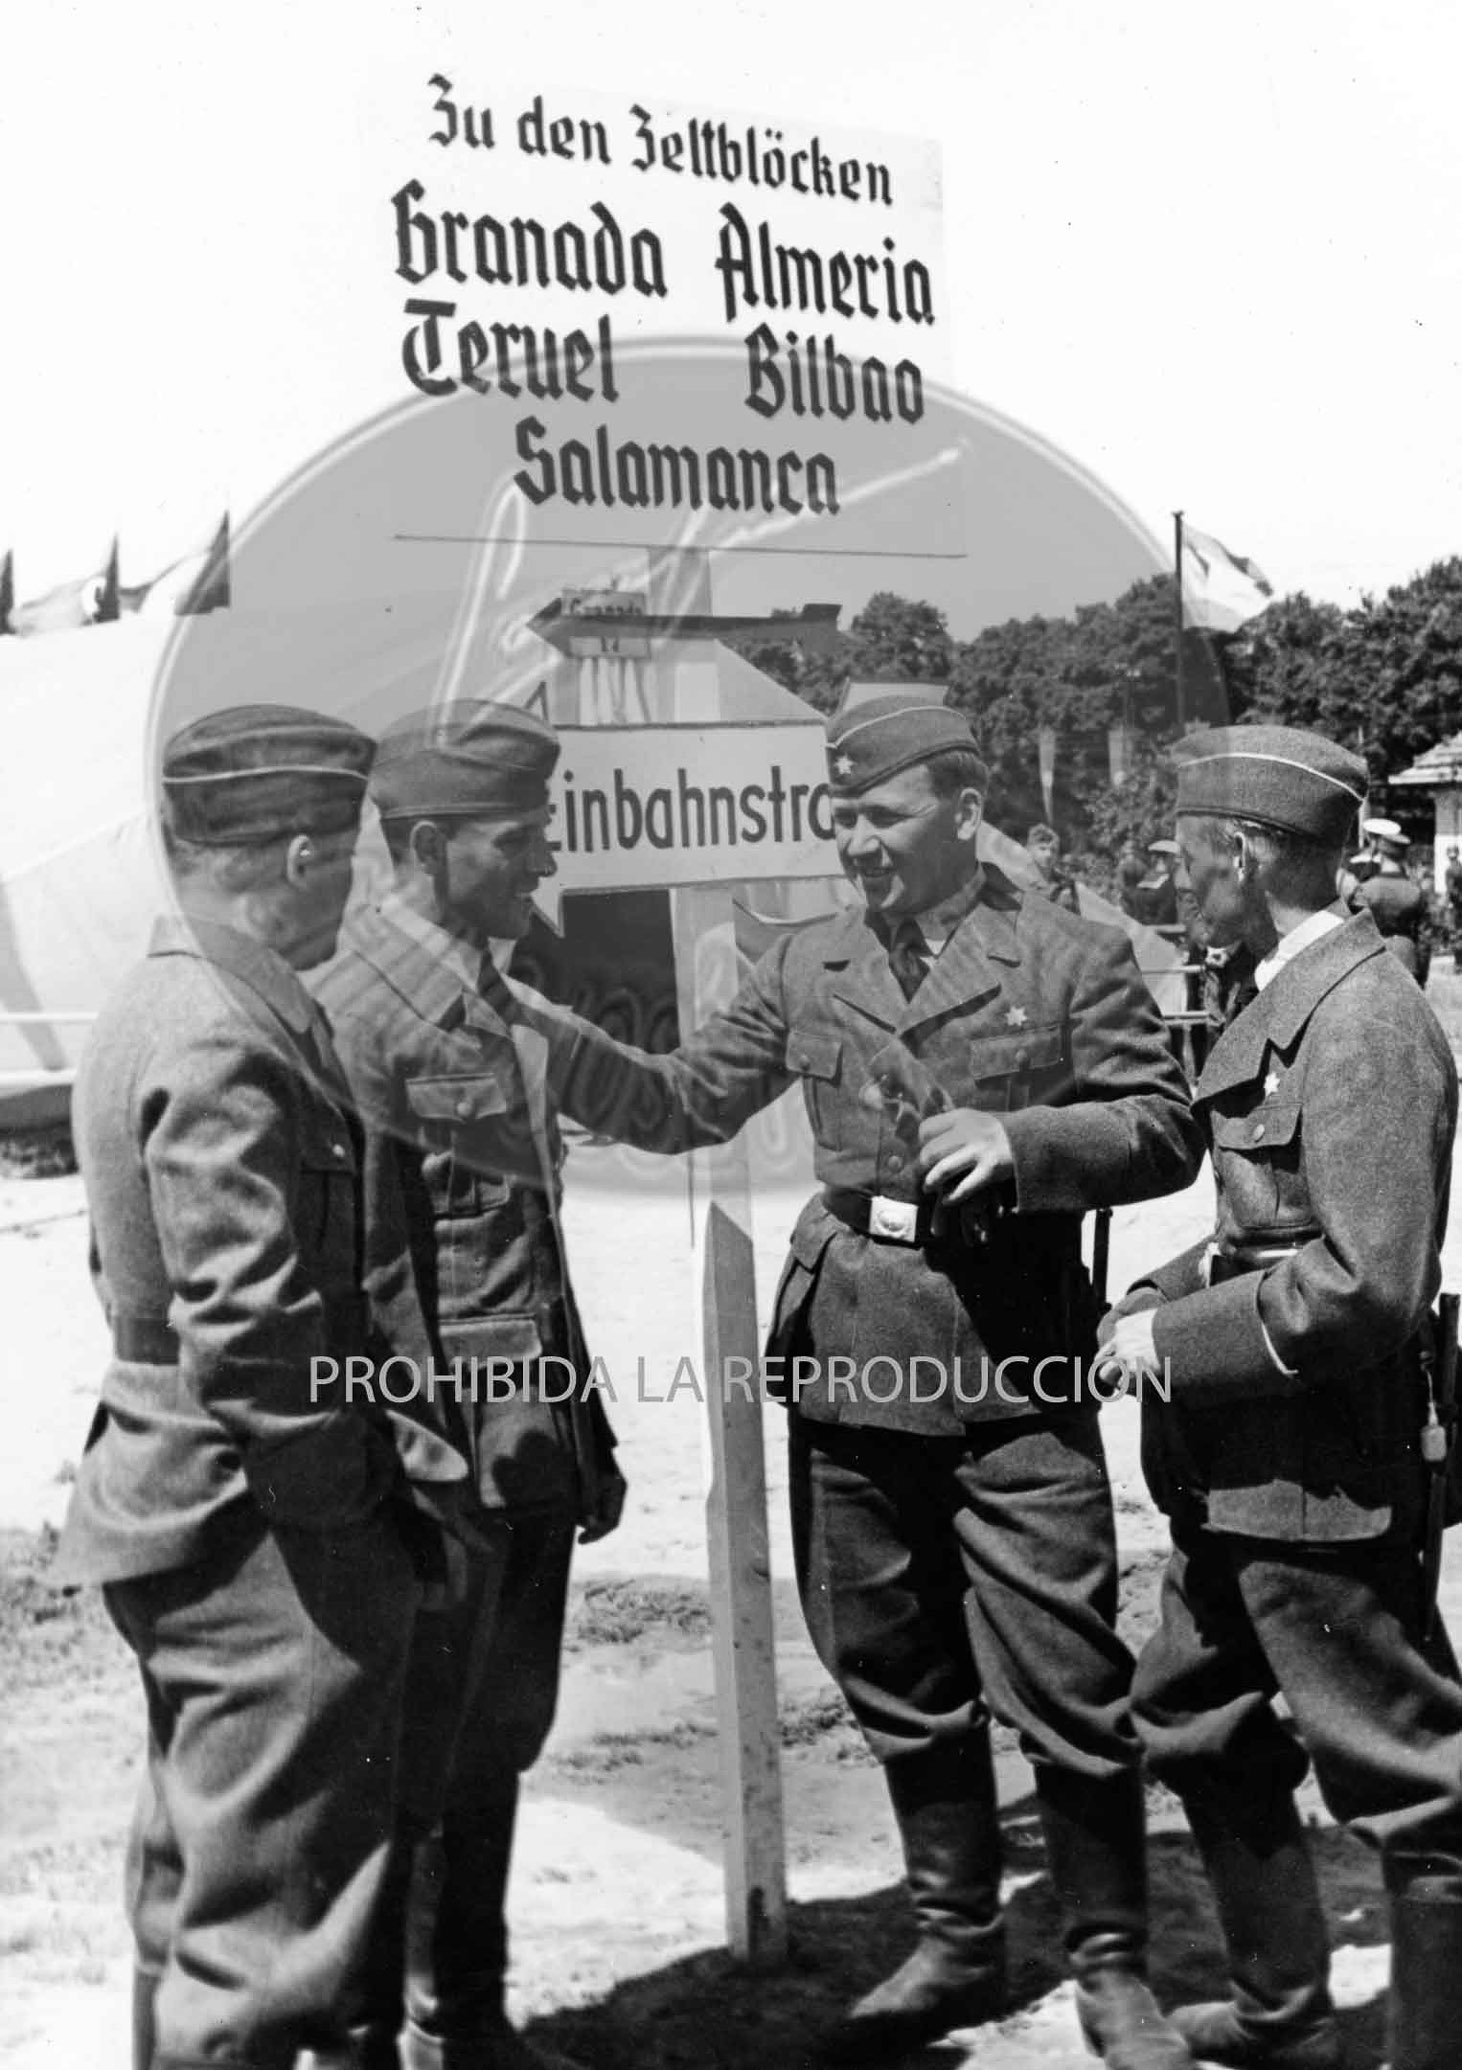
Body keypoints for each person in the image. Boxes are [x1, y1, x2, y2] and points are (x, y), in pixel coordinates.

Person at [507, 696, 1204, 2069]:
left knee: (1066, 1671)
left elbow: (1164, 1128)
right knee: (887, 1662)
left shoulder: (1066, 956)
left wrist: (1021, 1139)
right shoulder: (806, 958)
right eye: (839, 815)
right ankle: (954, 1942)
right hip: (848, 1346)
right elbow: (684, 1099)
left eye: (878, 814)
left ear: (960, 805)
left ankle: (1111, 1965)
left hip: (1009, 1356)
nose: (853, 841)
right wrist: (533, 1021)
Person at [53, 706, 437, 2070]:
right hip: (256, 1522)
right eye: (352, 857)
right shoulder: (228, 1030)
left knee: (196, 1880)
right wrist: (348, 1510)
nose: (360, 886)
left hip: (174, 1485)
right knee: (267, 1938)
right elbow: (249, 1318)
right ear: (292, 850)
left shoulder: (155, 998)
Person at [1101, 725, 1462, 2070]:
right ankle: (1282, 2022)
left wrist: (1174, 1346)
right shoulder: (1283, 991)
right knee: (1193, 1718)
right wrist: (1164, 1290)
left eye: (1180, 852)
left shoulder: (1365, 1019)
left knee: (1408, 1777)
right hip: (1243, 1465)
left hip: (1322, 1473)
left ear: (1240, 855)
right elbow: (1267, 1228)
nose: (1163, 872)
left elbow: (1368, 1279)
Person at [316, 701, 624, 2070]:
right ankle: (374, 2031)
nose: (545, 857)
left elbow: (526, 1248)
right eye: (521, 833)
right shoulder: (353, 1012)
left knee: (496, 1737)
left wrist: (584, 1427)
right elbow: (377, 1276)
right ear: (431, 844)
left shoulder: (491, 996)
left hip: (526, 1447)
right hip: (439, 1466)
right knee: (405, 1762)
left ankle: (472, 2011)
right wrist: (416, 1470)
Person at [1349, 815, 1431, 981]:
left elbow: (1352, 932)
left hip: (1371, 960)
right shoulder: (1415, 892)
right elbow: (1425, 939)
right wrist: (1421, 971)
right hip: (1407, 961)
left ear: (1380, 851)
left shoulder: (1365, 890)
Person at [1025, 820, 1081, 912]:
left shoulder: (1067, 884)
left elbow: (1076, 920)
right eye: (1042, 849)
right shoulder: (1020, 879)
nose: (1048, 855)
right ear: (1029, 850)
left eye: (1053, 850)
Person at [1134, 840, 1181, 930]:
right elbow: (1167, 917)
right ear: (1169, 858)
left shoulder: (1142, 883)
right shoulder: (1167, 886)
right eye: (1175, 858)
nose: (1176, 863)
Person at [1444, 844, 1462, 963]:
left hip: (1455, 905)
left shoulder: (1450, 870)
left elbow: (1451, 890)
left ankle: (1458, 963)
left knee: (1455, 932)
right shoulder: (1460, 867)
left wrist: (1450, 901)